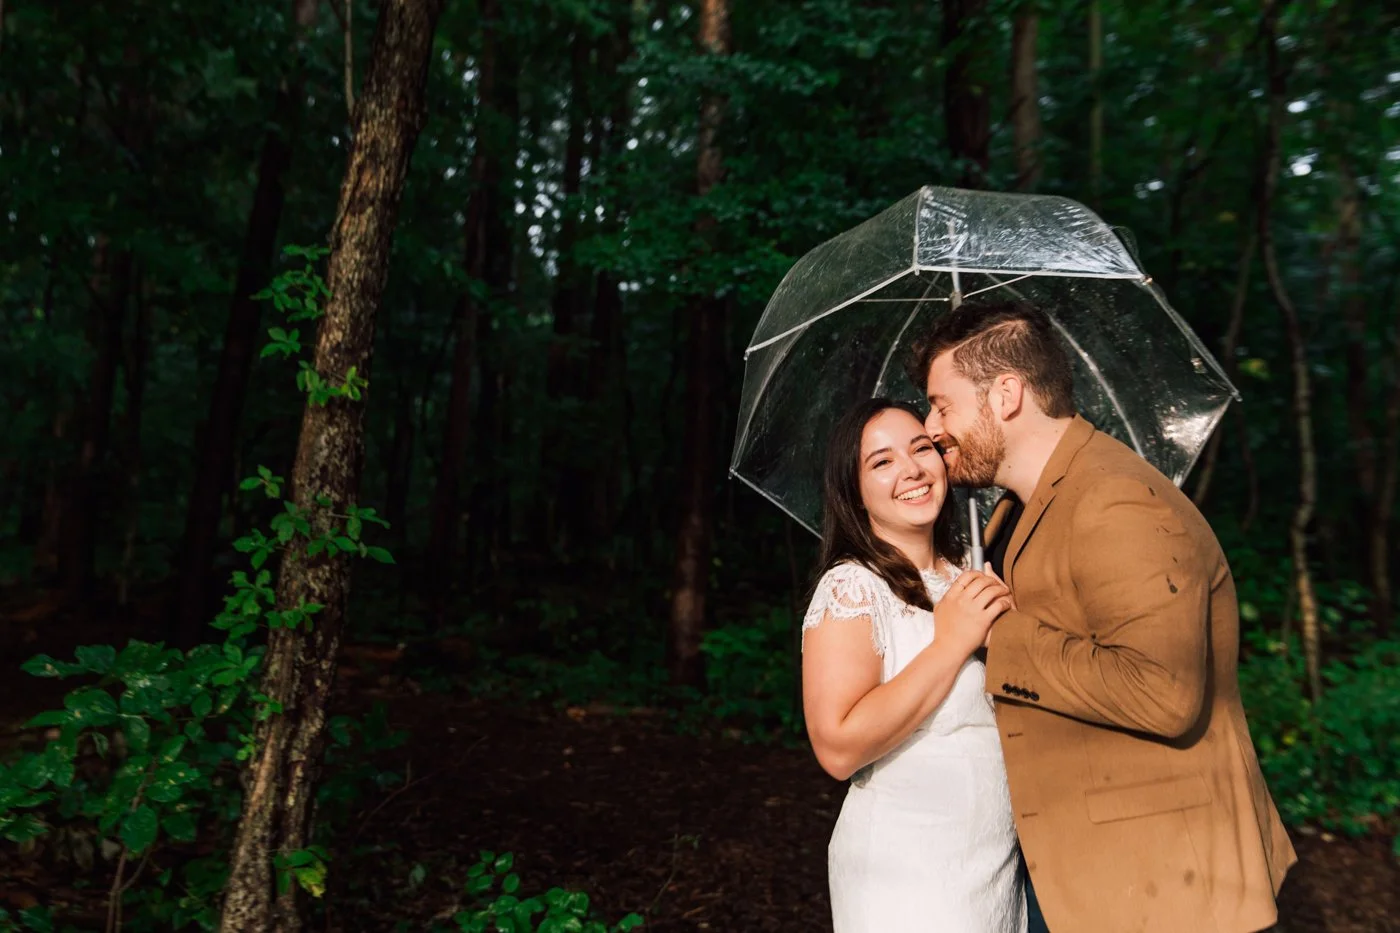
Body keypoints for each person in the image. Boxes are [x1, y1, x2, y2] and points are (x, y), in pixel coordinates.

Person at [909, 299, 1297, 933]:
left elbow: (1162, 693)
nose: (931, 426)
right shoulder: (1015, 510)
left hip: (1163, 882)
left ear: (1006, 394)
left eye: (942, 404)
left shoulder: (1118, 499)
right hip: (1075, 868)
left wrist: (992, 634)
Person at [801, 397, 1027, 933]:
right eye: (881, 461)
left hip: (995, 871)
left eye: (921, 448)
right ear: (853, 491)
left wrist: (1010, 638)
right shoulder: (853, 586)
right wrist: (951, 644)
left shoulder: (972, 579)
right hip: (906, 877)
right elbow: (836, 747)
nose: (911, 469)